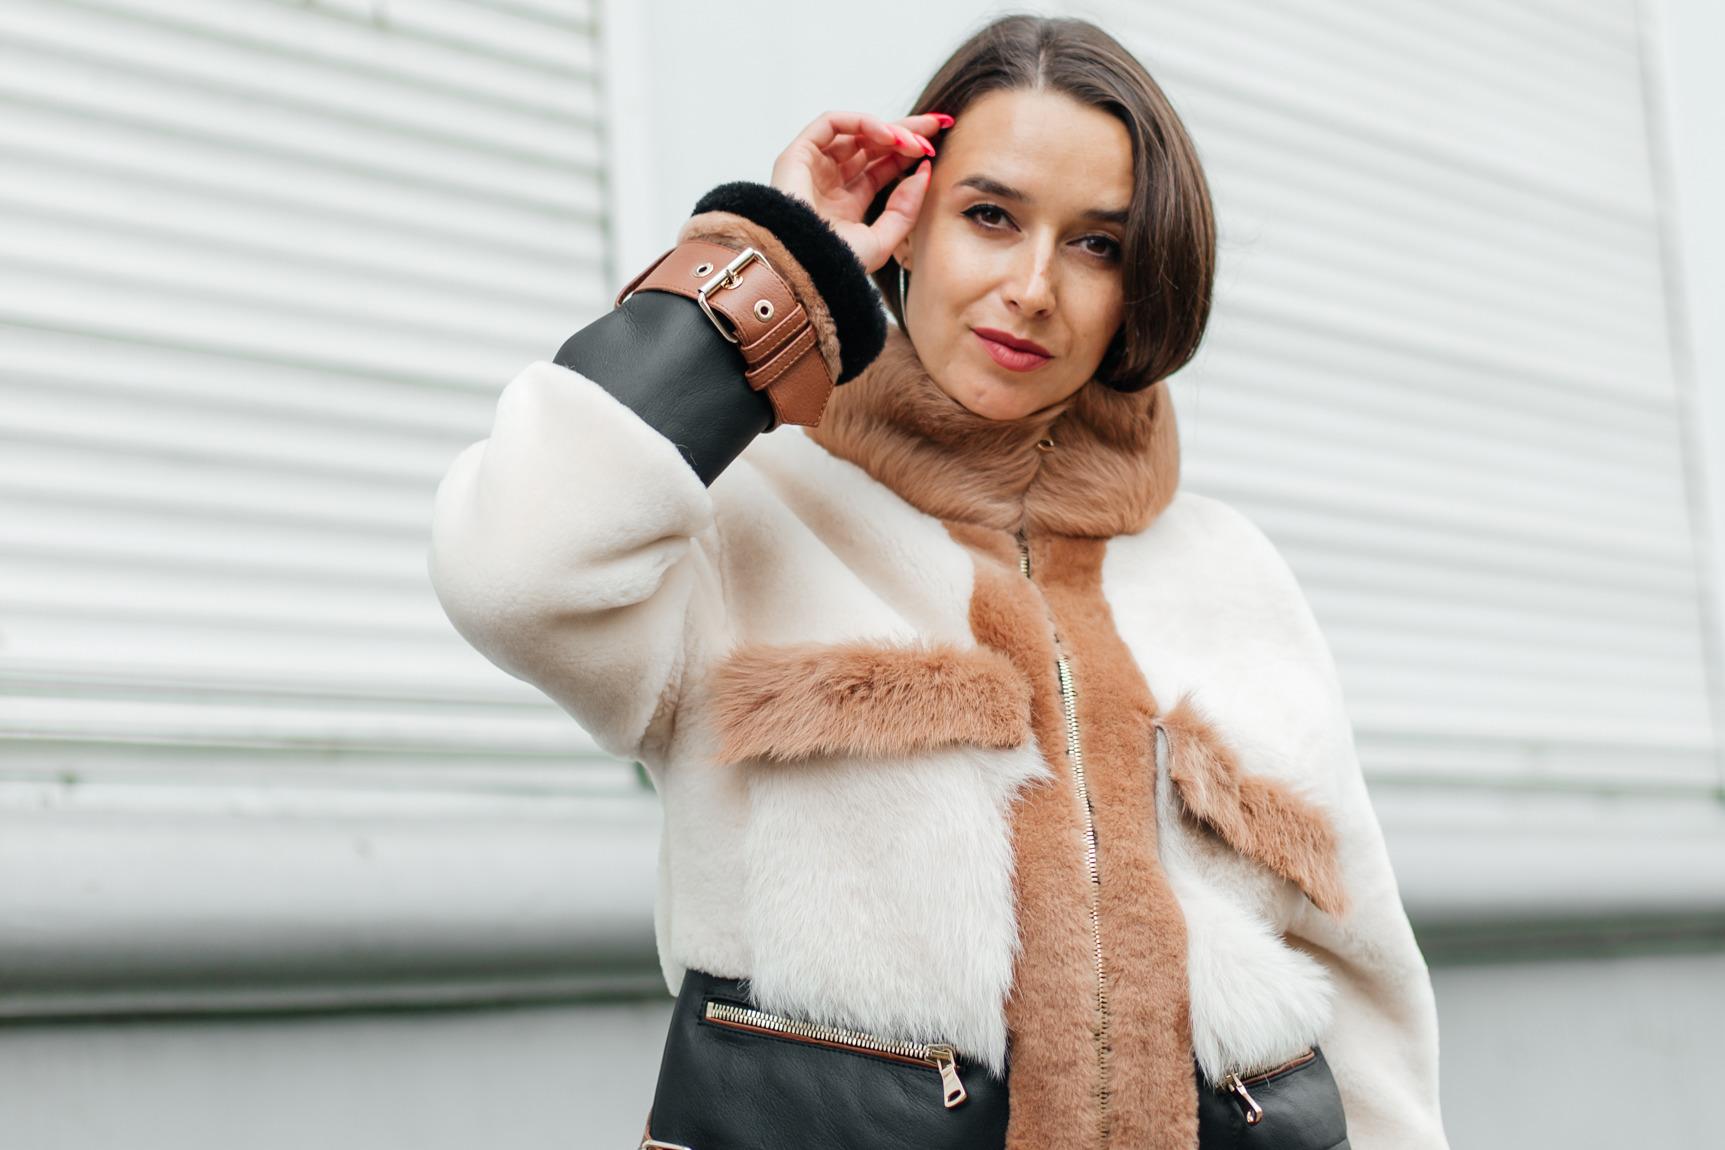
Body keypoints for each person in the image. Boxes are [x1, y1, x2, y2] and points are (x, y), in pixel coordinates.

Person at [428, 14, 1449, 1150]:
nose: (1032, 286)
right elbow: (512, 569)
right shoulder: (741, 510)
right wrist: (780, 262)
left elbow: (1364, 990)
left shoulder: (1231, 570)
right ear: (907, 223)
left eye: (1096, 244)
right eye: (990, 216)